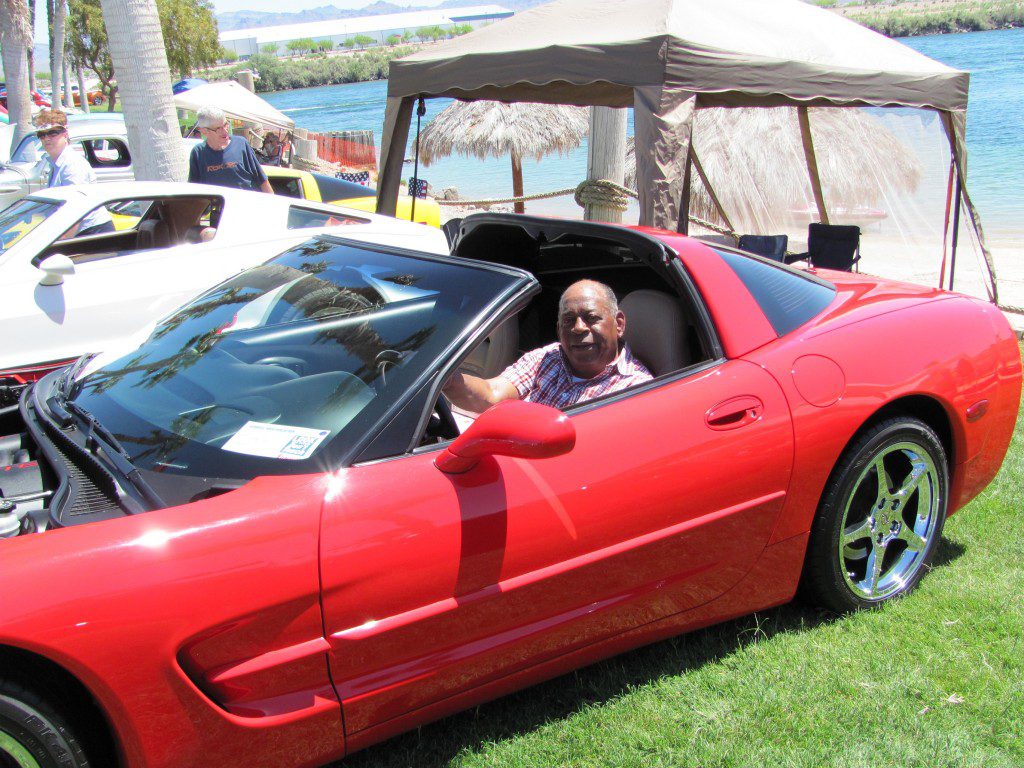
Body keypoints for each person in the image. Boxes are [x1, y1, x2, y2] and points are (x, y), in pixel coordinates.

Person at [444, 279, 652, 413]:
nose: (578, 328)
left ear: (619, 324)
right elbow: (491, 393)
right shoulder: (547, 357)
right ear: (559, 329)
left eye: (591, 318)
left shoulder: (637, 391)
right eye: (568, 320)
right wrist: (447, 380)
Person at [33, 109, 114, 237]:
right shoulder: (56, 163)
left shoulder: (72, 163)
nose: (46, 138)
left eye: (53, 133)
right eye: (41, 134)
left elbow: (76, 208)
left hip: (91, 232)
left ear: (65, 134)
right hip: (78, 230)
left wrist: (64, 241)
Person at [188, 106, 273, 193]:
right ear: (204, 131)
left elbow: (262, 179)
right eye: (218, 128)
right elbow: (194, 189)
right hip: (219, 201)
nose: (225, 131)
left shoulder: (241, 143)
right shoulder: (198, 153)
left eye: (226, 124)